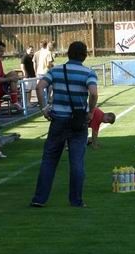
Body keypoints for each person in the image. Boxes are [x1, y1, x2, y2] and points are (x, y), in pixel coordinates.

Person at [31, 41, 97, 208]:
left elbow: (39, 87)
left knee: (49, 160)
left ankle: (39, 198)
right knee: (77, 161)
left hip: (58, 120)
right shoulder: (89, 73)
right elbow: (93, 93)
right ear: (84, 56)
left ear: (68, 54)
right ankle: (76, 200)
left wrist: (44, 108)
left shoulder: (56, 71)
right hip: (78, 122)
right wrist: (90, 111)